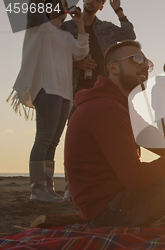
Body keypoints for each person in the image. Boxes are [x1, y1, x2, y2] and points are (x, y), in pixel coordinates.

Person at [64, 40, 165, 227]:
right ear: (113, 68)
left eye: (147, 62)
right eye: (135, 59)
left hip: (110, 205)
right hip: (110, 212)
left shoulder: (119, 105)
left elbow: (156, 139)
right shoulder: (106, 109)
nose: (144, 65)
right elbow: (136, 178)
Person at [7, 0, 89, 202]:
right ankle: (37, 190)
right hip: (46, 88)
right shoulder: (38, 27)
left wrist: (79, 23)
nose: (62, 8)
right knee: (43, 138)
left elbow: (80, 52)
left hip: (64, 92)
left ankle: (48, 189)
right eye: (57, 4)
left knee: (53, 141)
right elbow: (33, 10)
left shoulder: (66, 35)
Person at [61, 0, 136, 119]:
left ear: (101, 7)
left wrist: (117, 9)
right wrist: (76, 64)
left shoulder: (106, 27)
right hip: (76, 88)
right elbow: (55, 55)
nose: (91, 1)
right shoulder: (66, 27)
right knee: (77, 127)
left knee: (104, 126)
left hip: (103, 87)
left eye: (97, 0)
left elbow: (130, 35)